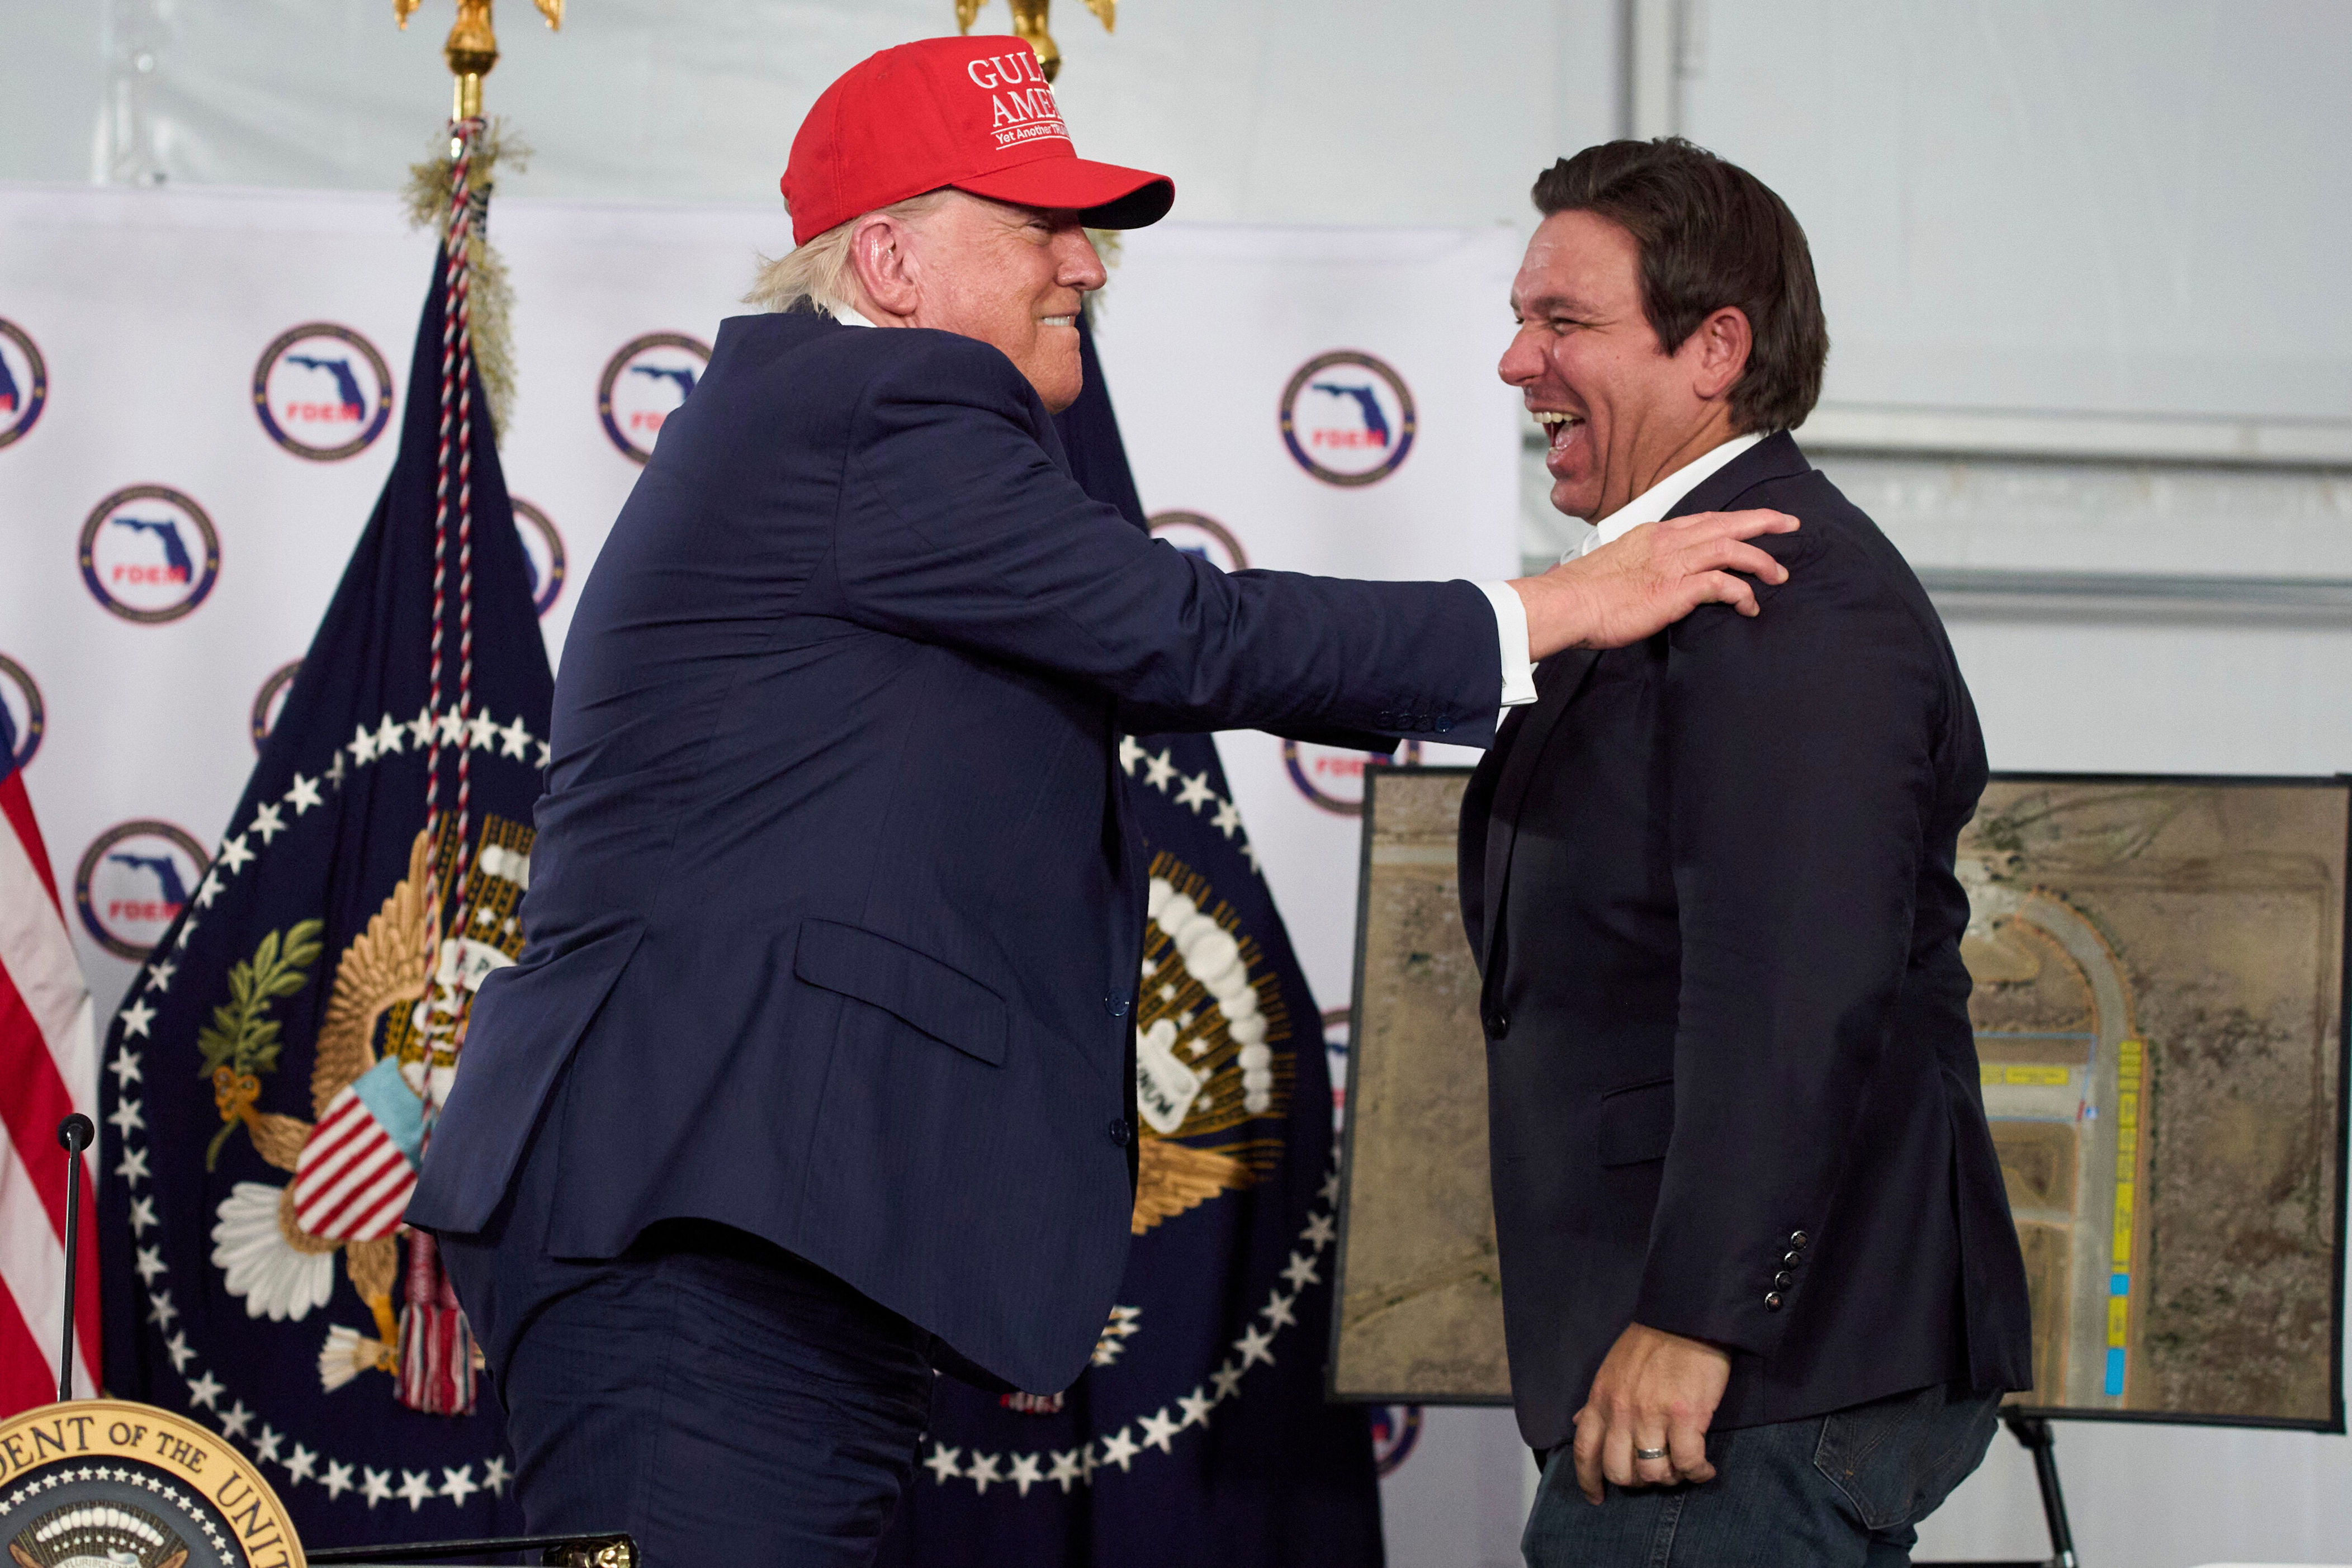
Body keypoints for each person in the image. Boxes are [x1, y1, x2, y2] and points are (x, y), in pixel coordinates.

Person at [407, 41, 1797, 1565]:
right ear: (889, 262)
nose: (1086, 263)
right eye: (1038, 226)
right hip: (703, 1239)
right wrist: (1556, 606)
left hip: (740, 1229)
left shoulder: (832, 422)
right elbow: (1191, 631)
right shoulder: (877, 410)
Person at [1456, 138, 2036, 1566]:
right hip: (1730, 1376)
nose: (1516, 361)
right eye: (1522, 319)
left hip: (1753, 1378)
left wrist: (1697, 1315)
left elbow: (1792, 986)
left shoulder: (1789, 592)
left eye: (1563, 322)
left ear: (1715, 348)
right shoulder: (1667, 581)